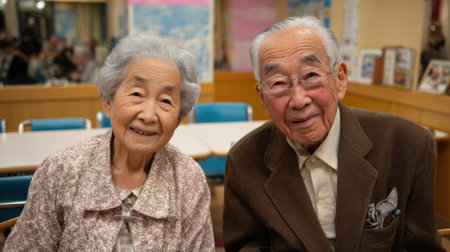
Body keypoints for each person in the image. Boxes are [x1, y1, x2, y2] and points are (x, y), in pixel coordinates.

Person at [222, 16, 444, 251]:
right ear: (262, 98)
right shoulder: (244, 160)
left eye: (311, 76)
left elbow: (422, 246)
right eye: (278, 83)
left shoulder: (407, 144)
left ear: (340, 79)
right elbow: (246, 246)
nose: (298, 100)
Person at [4, 34, 215, 251]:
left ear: (178, 118)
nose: (149, 115)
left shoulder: (188, 180)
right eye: (136, 93)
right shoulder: (61, 171)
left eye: (165, 101)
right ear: (108, 102)